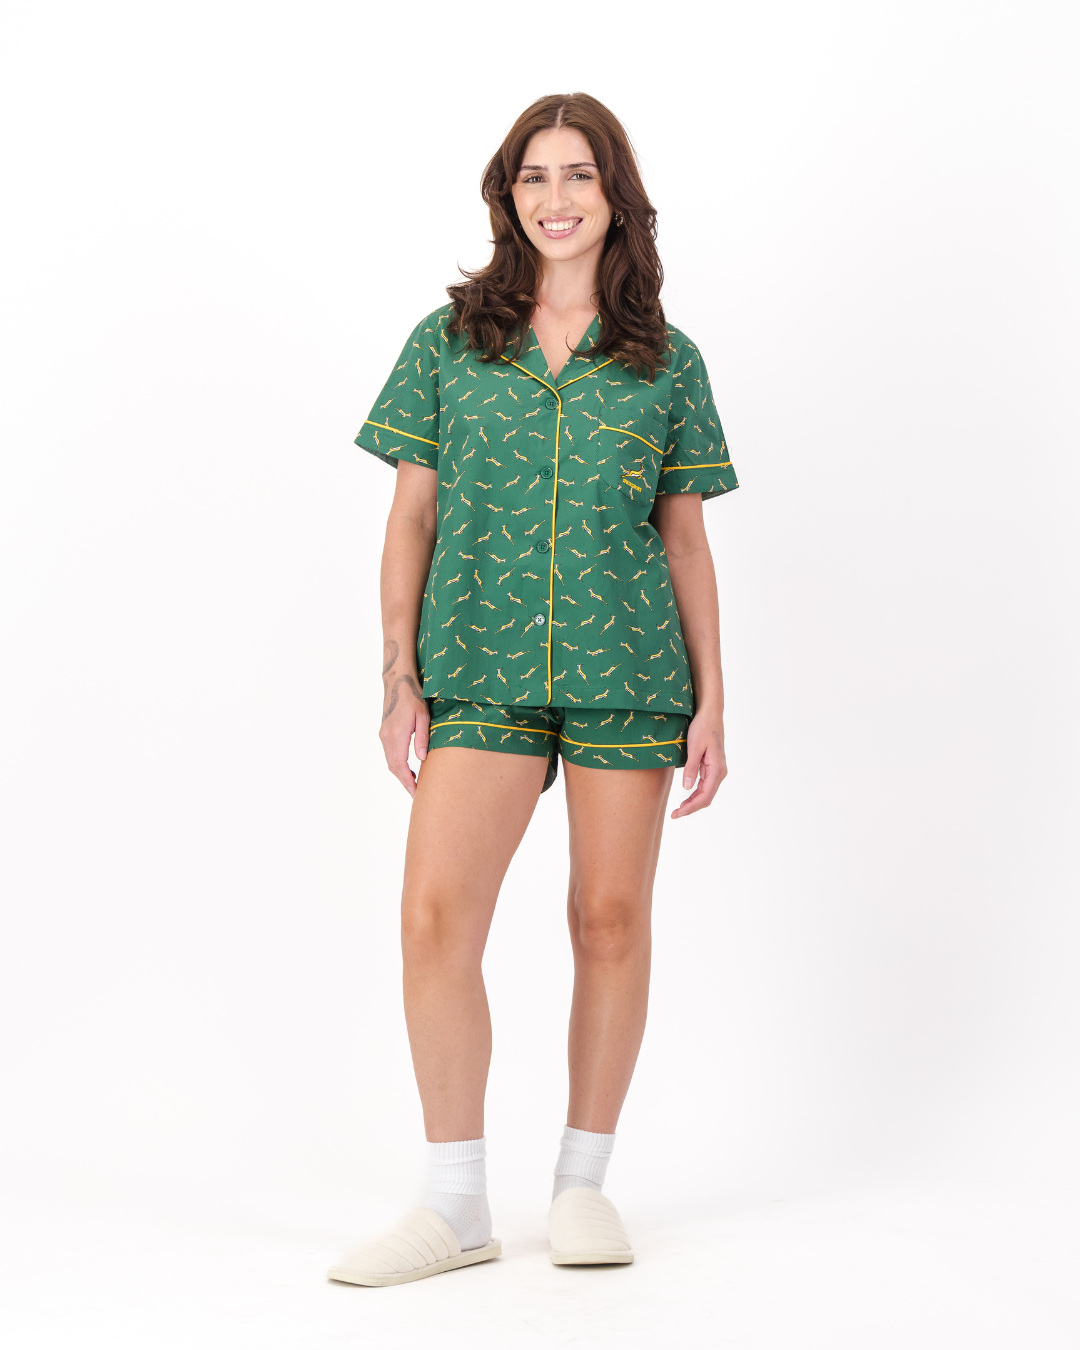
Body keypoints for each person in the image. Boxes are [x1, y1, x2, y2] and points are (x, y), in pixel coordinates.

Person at [328, 92, 738, 1287]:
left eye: (580, 176)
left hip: (629, 673)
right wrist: (398, 675)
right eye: (533, 178)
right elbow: (411, 517)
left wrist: (714, 701)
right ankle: (456, 1204)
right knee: (434, 918)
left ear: (616, 197)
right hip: (480, 669)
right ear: (508, 198)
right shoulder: (448, 342)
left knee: (608, 921)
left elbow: (685, 543)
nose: (557, 199)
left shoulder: (666, 360)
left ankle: (582, 1186)